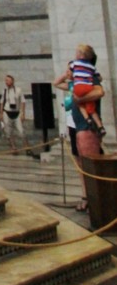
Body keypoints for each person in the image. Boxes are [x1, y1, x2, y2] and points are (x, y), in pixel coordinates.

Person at [53, 54, 104, 213]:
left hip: (87, 128)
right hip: (73, 127)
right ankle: (86, 196)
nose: (70, 70)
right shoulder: (72, 85)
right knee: (81, 164)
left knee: (93, 164)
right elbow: (56, 83)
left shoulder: (89, 85)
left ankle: (99, 199)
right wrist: (67, 73)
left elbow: (99, 90)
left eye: (72, 68)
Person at [68, 44, 106, 137]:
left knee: (78, 102)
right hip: (88, 87)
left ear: (81, 55)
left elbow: (69, 73)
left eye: (77, 52)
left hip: (79, 87)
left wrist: (72, 74)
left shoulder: (75, 63)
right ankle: (100, 126)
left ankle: (87, 119)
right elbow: (100, 77)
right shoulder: (91, 67)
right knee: (91, 109)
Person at [0, 74, 28, 154]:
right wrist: (0, 113)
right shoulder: (4, 90)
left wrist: (23, 113)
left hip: (17, 112)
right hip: (7, 112)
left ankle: (27, 147)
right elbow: (1, 102)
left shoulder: (18, 90)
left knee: (21, 131)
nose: (6, 82)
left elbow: (23, 101)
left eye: (8, 80)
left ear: (12, 81)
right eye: (5, 80)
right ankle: (13, 147)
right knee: (8, 131)